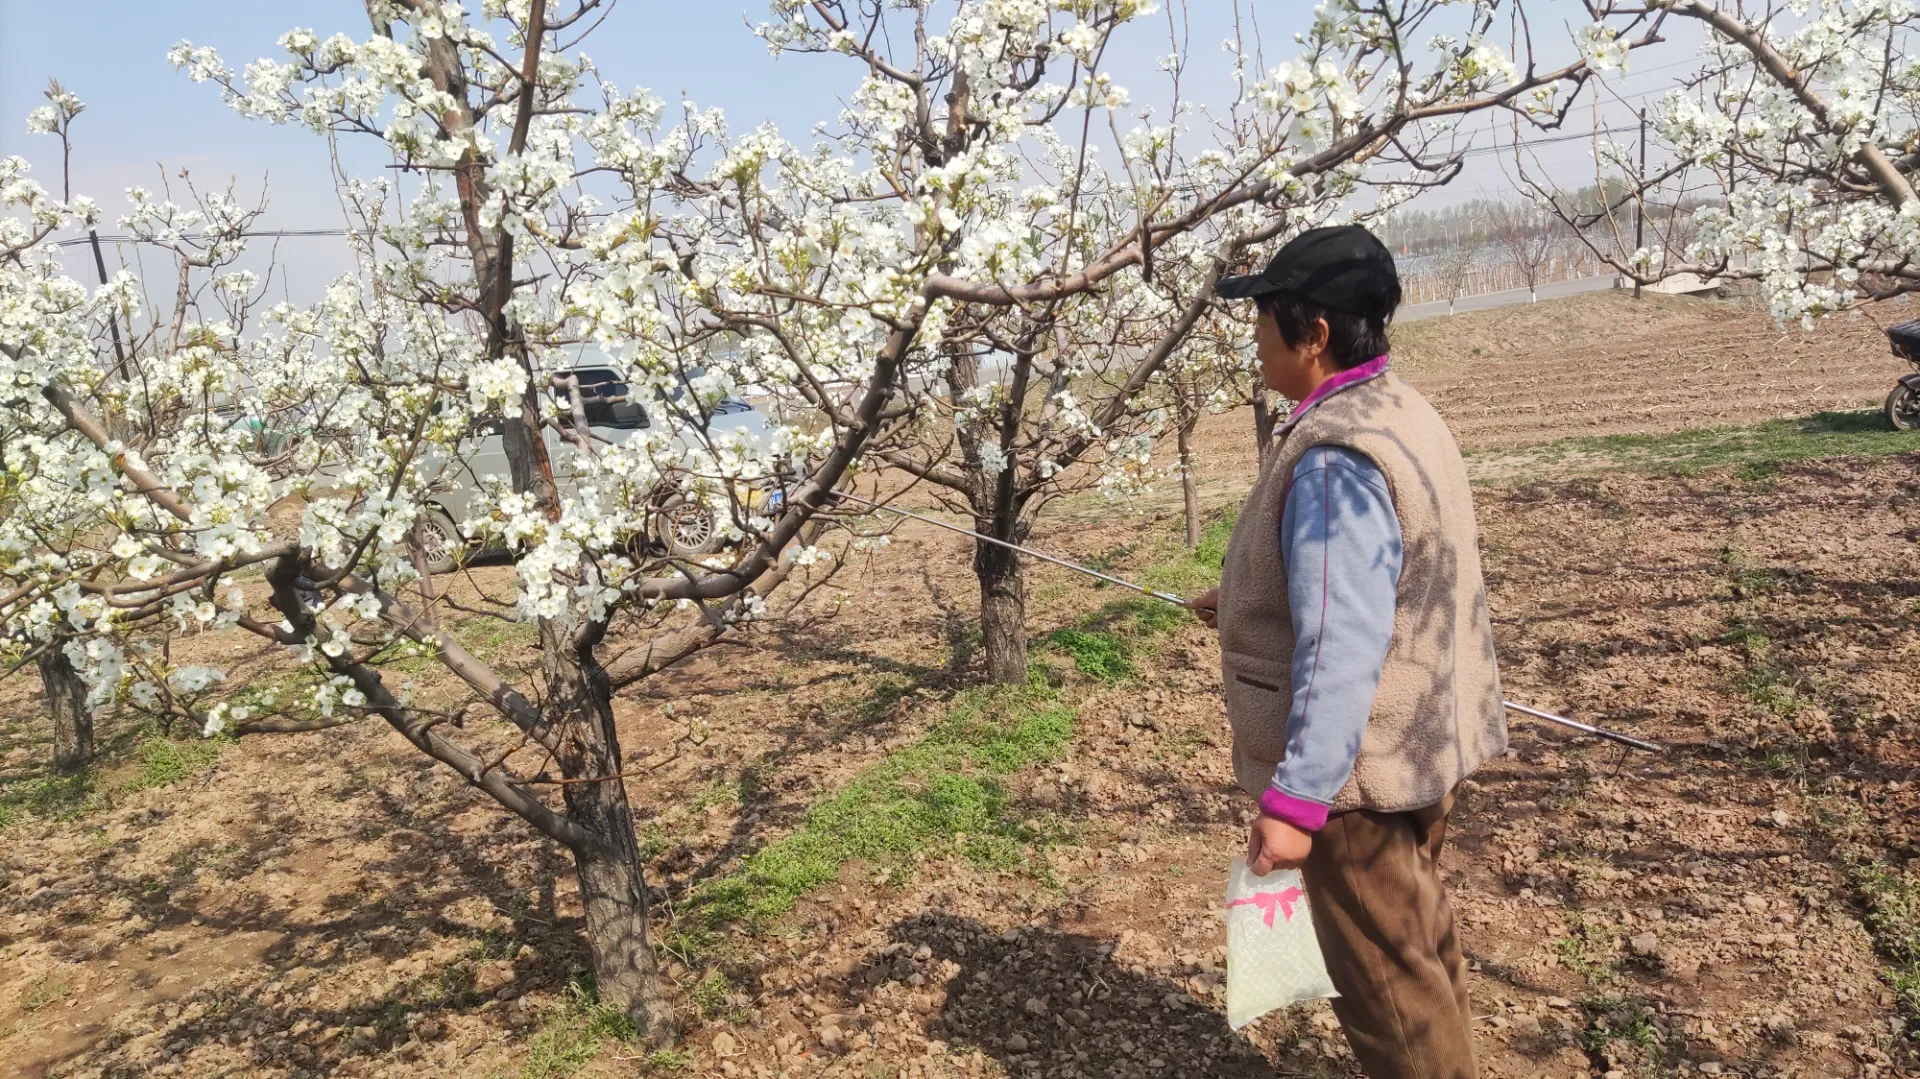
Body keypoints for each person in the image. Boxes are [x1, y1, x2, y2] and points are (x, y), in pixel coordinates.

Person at [1188, 225, 1506, 1079]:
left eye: (1264, 321)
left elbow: (1341, 643)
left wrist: (1297, 803)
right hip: (1417, 745)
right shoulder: (1395, 410)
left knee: (1392, 1000)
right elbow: (1374, 585)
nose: (1256, 340)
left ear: (1315, 334)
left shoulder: (1334, 457)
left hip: (1354, 782)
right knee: (1419, 954)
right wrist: (1252, 600)